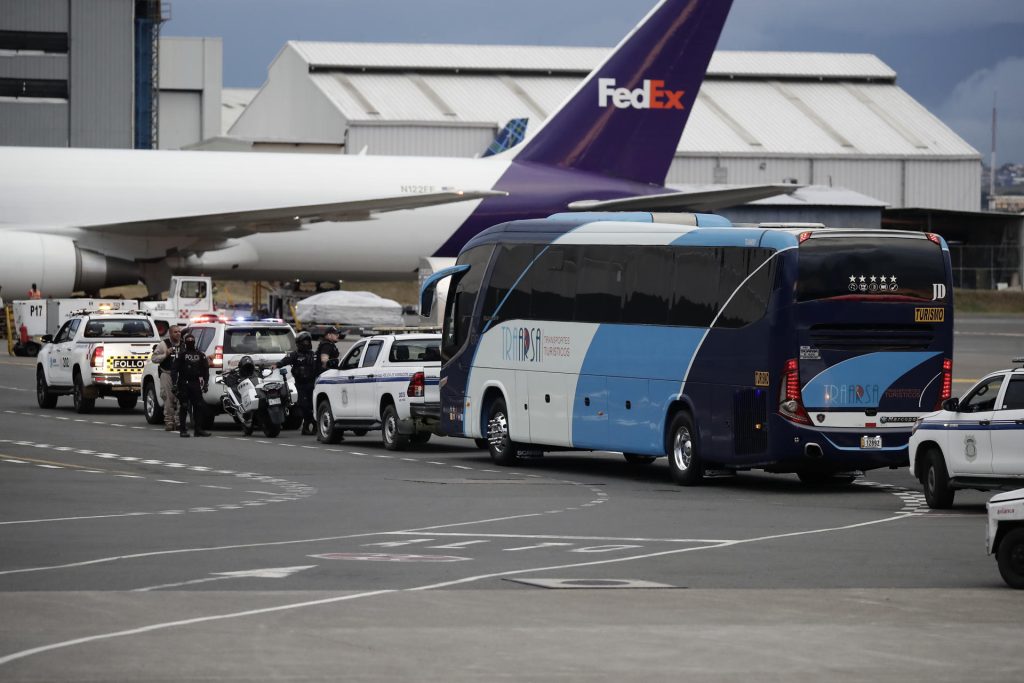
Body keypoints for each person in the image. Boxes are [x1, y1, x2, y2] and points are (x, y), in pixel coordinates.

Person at [277, 331, 319, 435]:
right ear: (299, 343)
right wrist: (276, 365)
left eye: (307, 341)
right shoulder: (294, 355)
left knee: (312, 406)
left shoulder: (314, 355)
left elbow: (321, 366)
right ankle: (306, 425)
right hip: (300, 385)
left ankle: (313, 425)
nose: (306, 343)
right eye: (304, 341)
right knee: (303, 406)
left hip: (312, 385)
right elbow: (284, 361)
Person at [174, 331, 211, 438]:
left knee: (198, 406)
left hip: (195, 383)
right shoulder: (181, 355)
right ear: (185, 342)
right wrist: (175, 384)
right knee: (184, 406)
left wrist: (206, 383)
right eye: (188, 341)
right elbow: (174, 369)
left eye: (192, 341)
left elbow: (205, 369)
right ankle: (183, 430)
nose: (190, 342)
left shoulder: (200, 355)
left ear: (194, 342)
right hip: (183, 383)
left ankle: (198, 429)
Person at [150, 325, 183, 431]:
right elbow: (154, 358)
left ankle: (179, 421)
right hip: (167, 373)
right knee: (168, 398)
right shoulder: (163, 344)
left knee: (180, 399)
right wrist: (165, 354)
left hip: (180, 375)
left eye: (179, 332)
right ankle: (169, 421)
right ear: (170, 333)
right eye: (175, 332)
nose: (178, 334)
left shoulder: (184, 345)